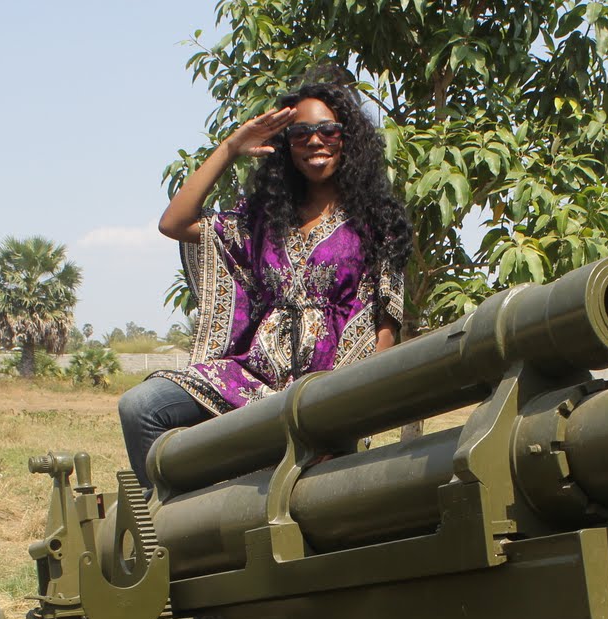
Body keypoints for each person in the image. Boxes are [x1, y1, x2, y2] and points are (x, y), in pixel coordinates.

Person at [120, 77, 411, 489]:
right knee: (141, 407)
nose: (315, 141)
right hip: (251, 382)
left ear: (348, 138)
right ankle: (174, 519)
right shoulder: (264, 219)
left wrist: (352, 414)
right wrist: (231, 147)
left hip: (328, 391)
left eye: (328, 131)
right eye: (301, 133)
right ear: (286, 145)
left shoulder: (378, 222)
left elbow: (385, 329)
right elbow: (175, 223)